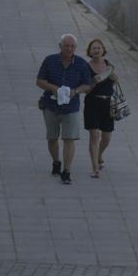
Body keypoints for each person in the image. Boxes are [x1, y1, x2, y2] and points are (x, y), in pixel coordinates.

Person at [35, 33, 94, 183]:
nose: (69, 49)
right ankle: (56, 161)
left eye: (72, 46)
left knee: (69, 139)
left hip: (71, 107)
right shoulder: (50, 60)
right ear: (60, 46)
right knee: (52, 137)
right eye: (66, 46)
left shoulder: (81, 64)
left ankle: (66, 170)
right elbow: (40, 81)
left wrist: (76, 91)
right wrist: (53, 88)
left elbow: (88, 85)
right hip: (51, 105)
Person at [82, 37, 121, 179]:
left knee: (106, 137)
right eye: (94, 48)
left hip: (108, 104)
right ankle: (95, 168)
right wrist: (96, 80)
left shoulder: (108, 65)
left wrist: (111, 75)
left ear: (103, 50)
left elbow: (116, 80)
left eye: (99, 48)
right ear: (90, 52)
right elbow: (86, 88)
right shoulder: (86, 67)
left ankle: (99, 155)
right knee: (94, 136)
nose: (97, 50)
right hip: (92, 103)